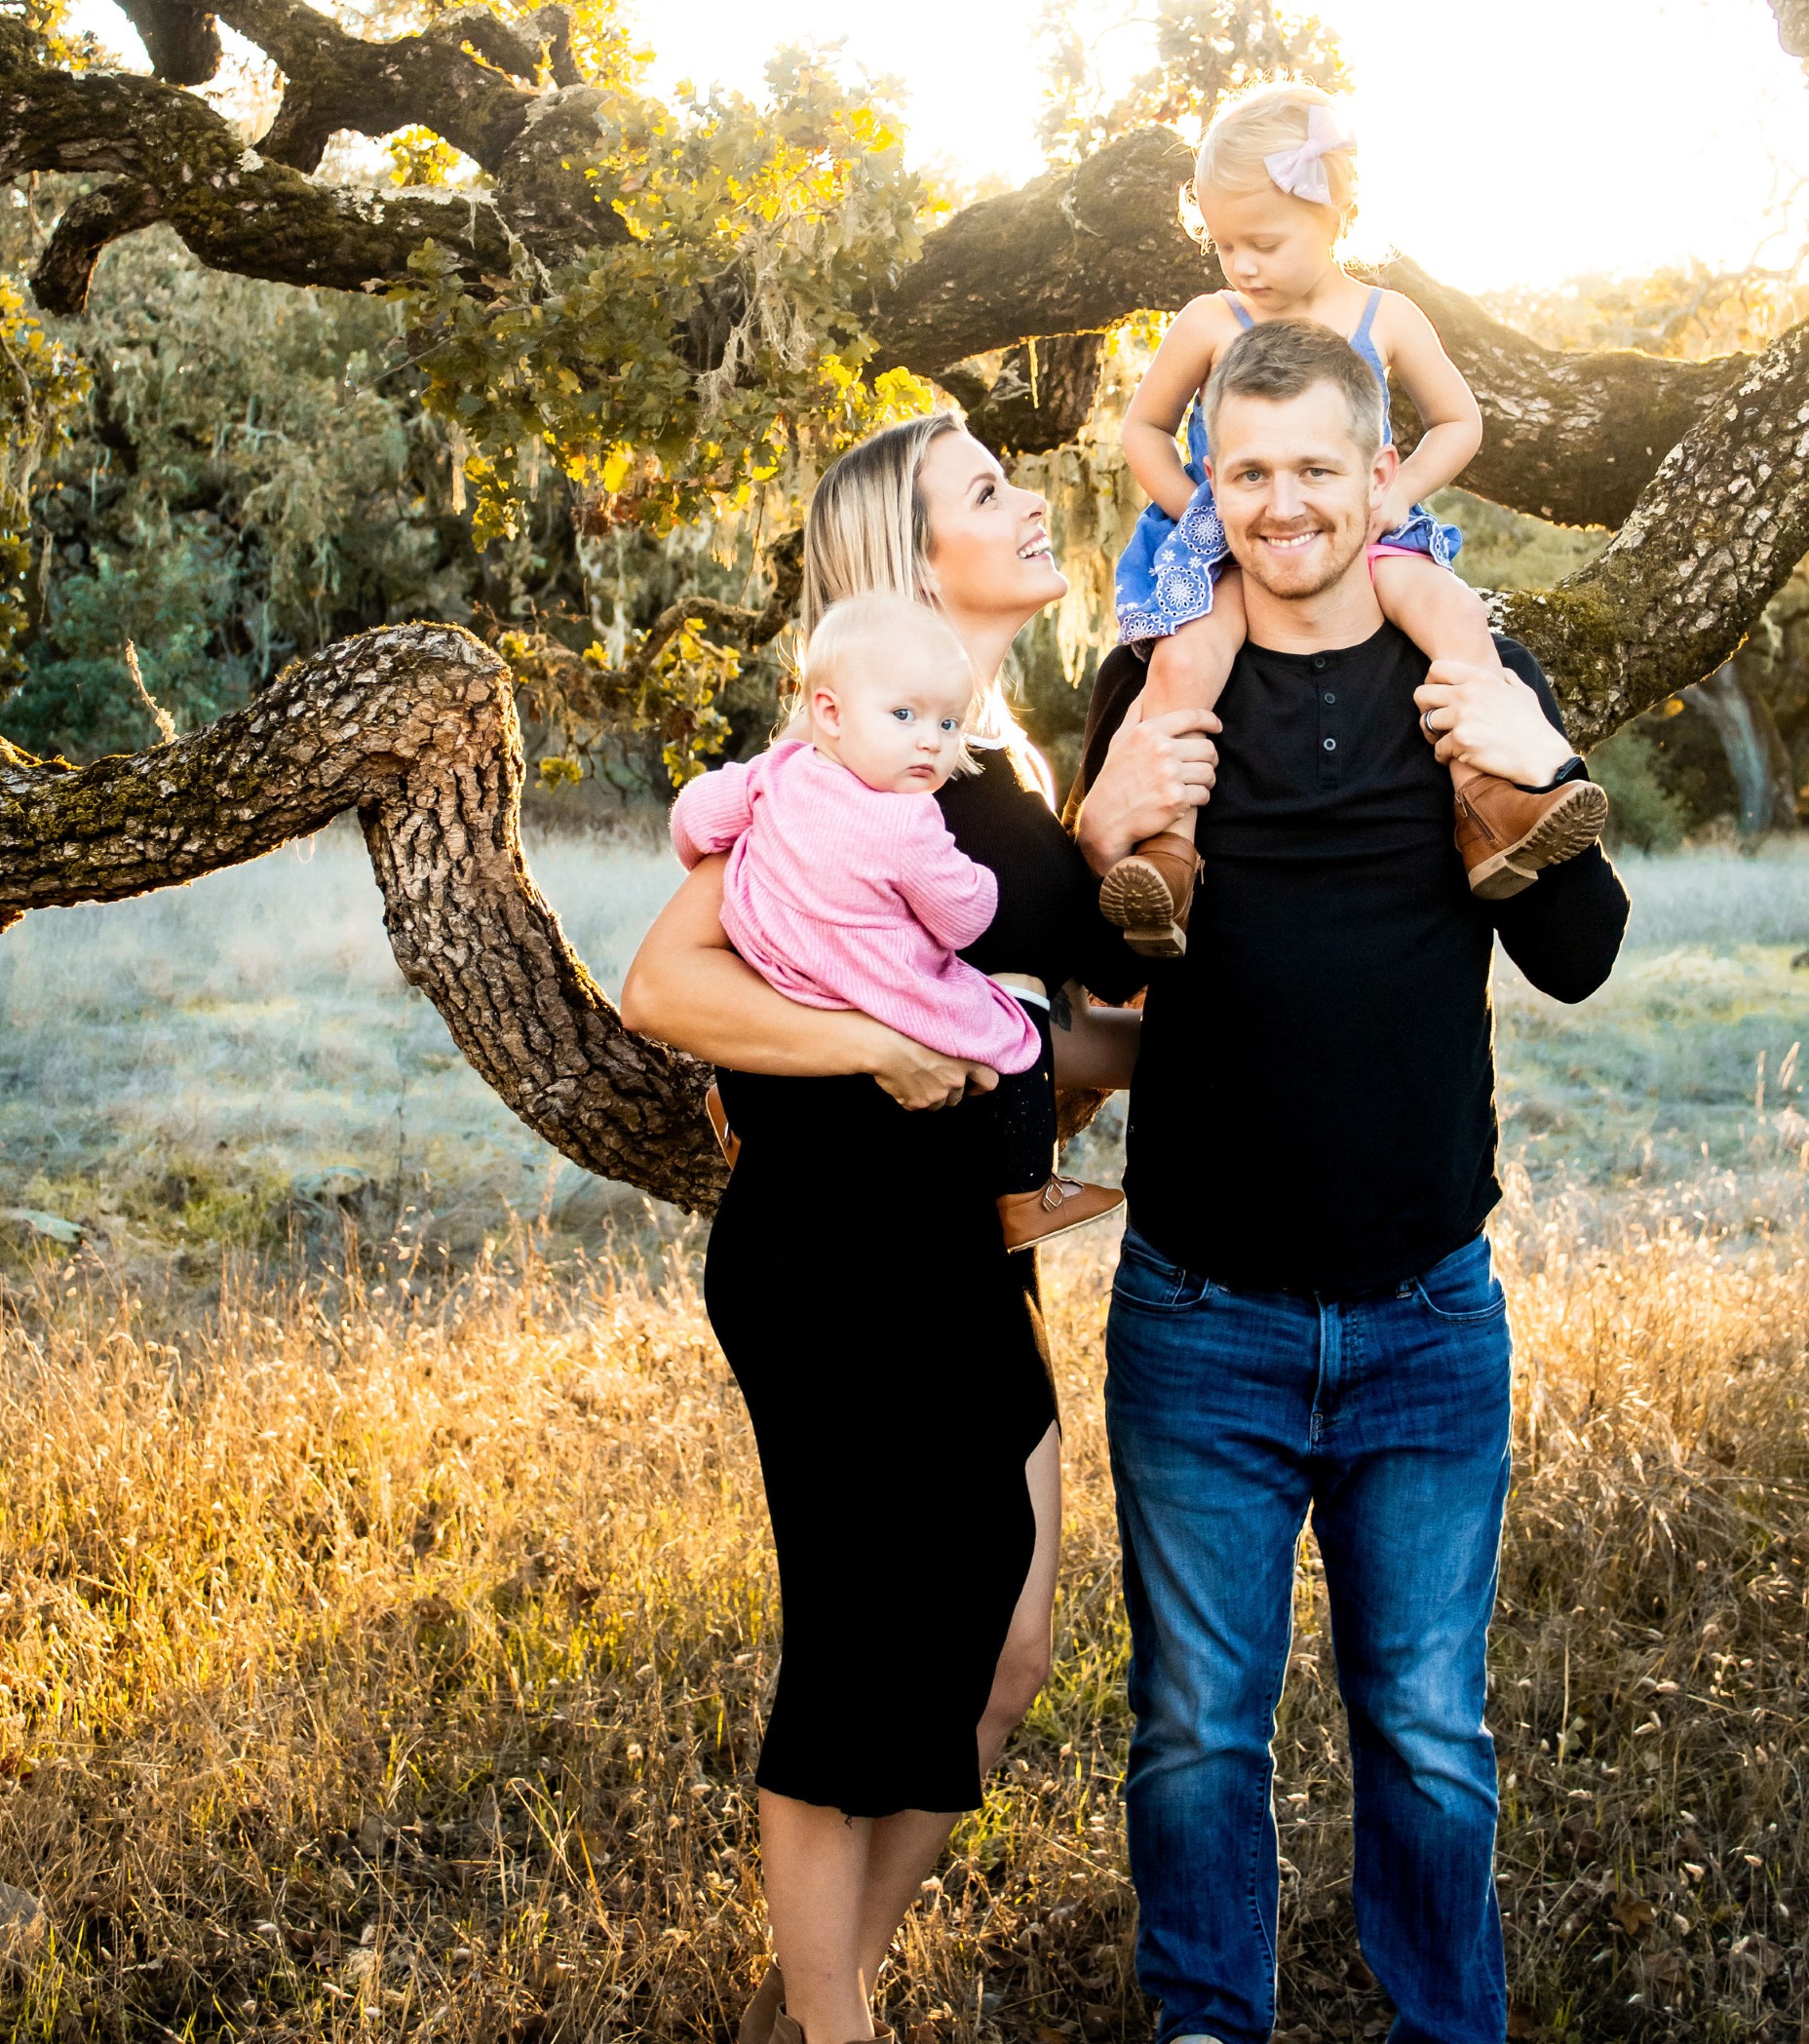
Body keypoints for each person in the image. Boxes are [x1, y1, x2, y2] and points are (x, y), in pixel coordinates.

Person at [1074, 317, 1631, 2044]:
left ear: (1383, 474)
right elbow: (1086, 979)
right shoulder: (1151, 681)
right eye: (1248, 472)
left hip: (1423, 1317)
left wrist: (1530, 758)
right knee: (1195, 1733)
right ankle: (1206, 2024)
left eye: (1318, 466)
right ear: (1209, 485)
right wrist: (1103, 820)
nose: (1284, 503)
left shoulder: (1471, 669)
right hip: (1201, 1313)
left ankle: (1447, 2028)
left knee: (1429, 1732)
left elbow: (1580, 956)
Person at [623, 411, 1206, 2044]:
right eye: (985, 491)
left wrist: (1209, 1037)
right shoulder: (834, 774)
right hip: (836, 1257)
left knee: (1005, 1652)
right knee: (865, 1662)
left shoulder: (988, 766)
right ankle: (837, 2027)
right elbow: (665, 983)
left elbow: (1030, 1025)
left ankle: (819, 2001)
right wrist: (875, 1046)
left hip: (970, 1253)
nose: (1028, 503)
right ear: (907, 555)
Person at [1101, 82, 1607, 952]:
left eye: (1263, 243)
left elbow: (1459, 421)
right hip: (1224, 541)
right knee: (1185, 661)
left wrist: (1398, 495)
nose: (1242, 266)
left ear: (1334, 213)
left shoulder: (1387, 315)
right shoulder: (1210, 320)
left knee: (1452, 615)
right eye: (1223, 245)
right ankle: (1166, 853)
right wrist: (1204, 512)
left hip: (1367, 526)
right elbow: (1143, 428)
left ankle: (1488, 800)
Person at [670, 592, 1123, 1253]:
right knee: (1014, 1011)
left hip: (774, 974)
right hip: (868, 987)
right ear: (829, 713)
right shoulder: (908, 819)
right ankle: (1029, 1192)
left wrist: (749, 863)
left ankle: (736, 1106)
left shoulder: (776, 775)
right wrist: (984, 884)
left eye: (948, 724)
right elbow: (963, 919)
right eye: (905, 716)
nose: (929, 741)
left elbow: (694, 821)